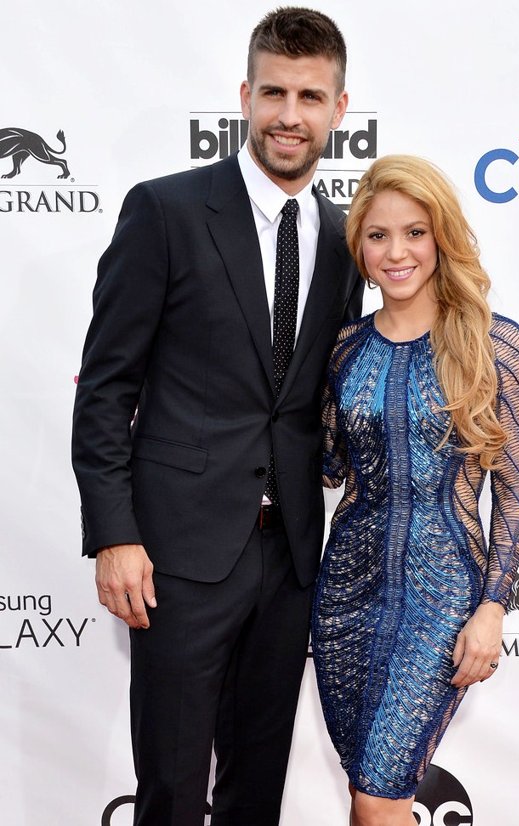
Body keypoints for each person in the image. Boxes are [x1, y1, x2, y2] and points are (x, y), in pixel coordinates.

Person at [71, 8, 363, 826]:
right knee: (169, 787)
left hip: (290, 557)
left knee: (255, 788)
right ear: (245, 95)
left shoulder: (347, 241)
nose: (289, 115)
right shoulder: (163, 211)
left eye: (310, 96)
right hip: (177, 556)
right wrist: (114, 533)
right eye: (273, 92)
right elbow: (104, 388)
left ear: (340, 109)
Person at [311, 155, 519, 826]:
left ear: (441, 236)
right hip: (346, 596)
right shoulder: (345, 348)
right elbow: (324, 468)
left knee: (380, 796)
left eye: (415, 231)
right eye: (378, 236)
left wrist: (493, 606)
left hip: (443, 601)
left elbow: (515, 489)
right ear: (359, 248)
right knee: (368, 797)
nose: (397, 251)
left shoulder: (497, 345)